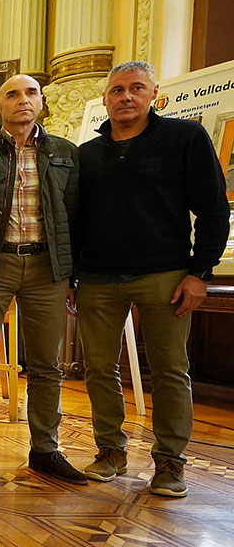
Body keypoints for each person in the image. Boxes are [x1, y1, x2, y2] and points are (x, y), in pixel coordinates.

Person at [73, 60, 231, 497]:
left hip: (165, 275)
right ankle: (110, 451)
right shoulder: (87, 154)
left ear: (154, 95)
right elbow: (75, 219)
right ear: (106, 99)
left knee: (170, 371)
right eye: (117, 90)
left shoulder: (185, 138)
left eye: (136, 88)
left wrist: (200, 273)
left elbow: (213, 208)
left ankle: (169, 462)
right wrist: (72, 275)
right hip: (97, 278)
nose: (126, 96)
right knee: (98, 369)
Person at [0, 75, 84, 483]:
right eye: (12, 94)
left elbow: (75, 215)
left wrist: (73, 276)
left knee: (47, 364)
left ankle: (45, 449)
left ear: (41, 101)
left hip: (48, 267)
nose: (23, 100)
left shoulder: (65, 152)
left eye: (31, 93)